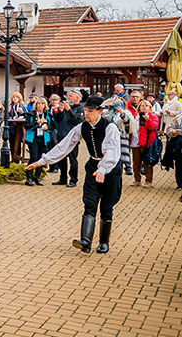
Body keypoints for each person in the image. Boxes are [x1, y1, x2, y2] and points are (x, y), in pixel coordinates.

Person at [26, 96, 122, 254]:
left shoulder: (109, 127)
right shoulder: (81, 127)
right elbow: (65, 145)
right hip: (93, 166)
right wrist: (43, 161)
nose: (87, 114)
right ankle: (85, 241)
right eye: (85, 110)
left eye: (90, 111)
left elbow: (112, 151)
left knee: (106, 205)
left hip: (111, 169)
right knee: (89, 202)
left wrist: (103, 170)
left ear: (100, 111)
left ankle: (104, 242)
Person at [52, 91, 85, 187]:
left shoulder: (80, 108)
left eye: (70, 96)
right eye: (68, 95)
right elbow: (57, 120)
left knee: (72, 159)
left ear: (77, 98)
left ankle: (73, 180)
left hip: (73, 138)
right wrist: (60, 112)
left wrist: (69, 110)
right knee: (61, 158)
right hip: (61, 136)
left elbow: (77, 121)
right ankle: (63, 179)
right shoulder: (65, 107)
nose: (68, 97)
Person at [23, 97, 52, 186]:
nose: (40, 105)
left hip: (43, 139)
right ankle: (29, 178)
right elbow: (27, 125)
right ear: (36, 105)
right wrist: (37, 123)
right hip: (33, 139)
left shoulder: (48, 115)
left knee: (41, 158)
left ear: (45, 106)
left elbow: (52, 127)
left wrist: (48, 128)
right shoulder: (30, 114)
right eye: (38, 103)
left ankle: (37, 177)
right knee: (33, 157)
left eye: (42, 104)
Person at [132, 100, 159, 187]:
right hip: (136, 142)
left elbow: (153, 128)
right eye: (142, 105)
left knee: (147, 162)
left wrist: (148, 120)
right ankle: (137, 180)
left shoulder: (153, 117)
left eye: (146, 105)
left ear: (150, 108)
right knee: (136, 162)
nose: (144, 107)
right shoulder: (136, 117)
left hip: (147, 143)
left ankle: (148, 181)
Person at [106, 100, 135, 176]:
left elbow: (127, 122)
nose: (117, 106)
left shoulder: (126, 112)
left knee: (123, 154)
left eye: (119, 104)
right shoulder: (109, 113)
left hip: (122, 136)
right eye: (115, 104)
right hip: (111, 137)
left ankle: (127, 166)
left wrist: (122, 113)